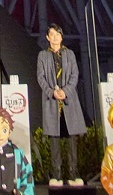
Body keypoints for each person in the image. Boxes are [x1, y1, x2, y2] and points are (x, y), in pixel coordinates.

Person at [36, 23, 87, 186]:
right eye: (52, 34)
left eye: (57, 34)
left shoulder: (69, 54)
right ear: (47, 37)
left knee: (71, 137)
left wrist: (66, 91)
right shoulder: (43, 55)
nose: (55, 37)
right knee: (54, 138)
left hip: (69, 100)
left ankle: (73, 172)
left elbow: (75, 74)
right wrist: (52, 92)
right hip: (51, 101)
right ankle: (56, 173)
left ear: (61, 36)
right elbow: (41, 77)